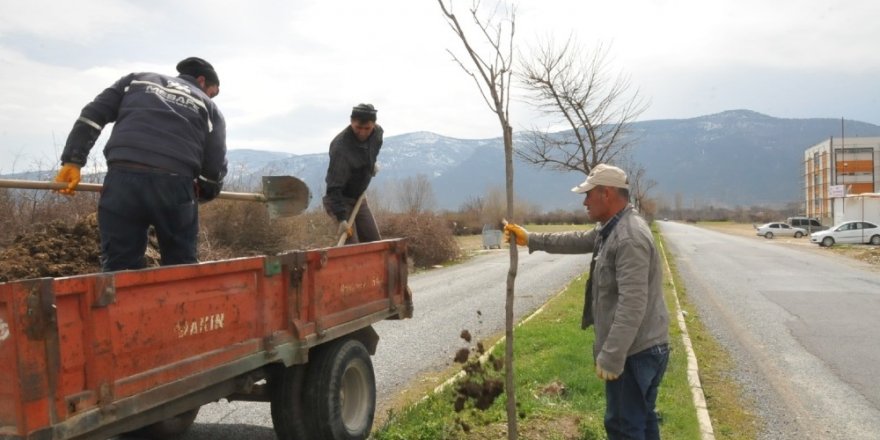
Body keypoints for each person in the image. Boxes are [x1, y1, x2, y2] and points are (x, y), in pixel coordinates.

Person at [504, 164, 669, 440]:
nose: (584, 202)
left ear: (606, 193)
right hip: (640, 348)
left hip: (634, 353)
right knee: (642, 421)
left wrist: (612, 356)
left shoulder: (629, 237)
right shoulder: (611, 229)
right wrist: (531, 238)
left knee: (623, 428)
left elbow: (633, 304)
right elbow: (576, 240)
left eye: (588, 195)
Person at [54, 56, 228, 272]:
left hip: (122, 181)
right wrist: (203, 193)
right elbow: (214, 165)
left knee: (119, 267)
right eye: (214, 91)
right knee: (180, 268)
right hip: (175, 186)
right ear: (202, 81)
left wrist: (73, 160)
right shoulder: (209, 106)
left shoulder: (135, 81)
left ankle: (123, 302)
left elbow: (93, 115)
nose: (212, 96)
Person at [323, 103, 384, 244]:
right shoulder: (341, 148)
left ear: (374, 125)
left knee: (374, 243)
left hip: (359, 198)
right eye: (358, 128)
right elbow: (333, 187)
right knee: (353, 247)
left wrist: (370, 164)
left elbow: (371, 151)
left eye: (367, 128)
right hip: (340, 201)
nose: (362, 132)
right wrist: (341, 218)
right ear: (351, 122)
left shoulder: (377, 134)